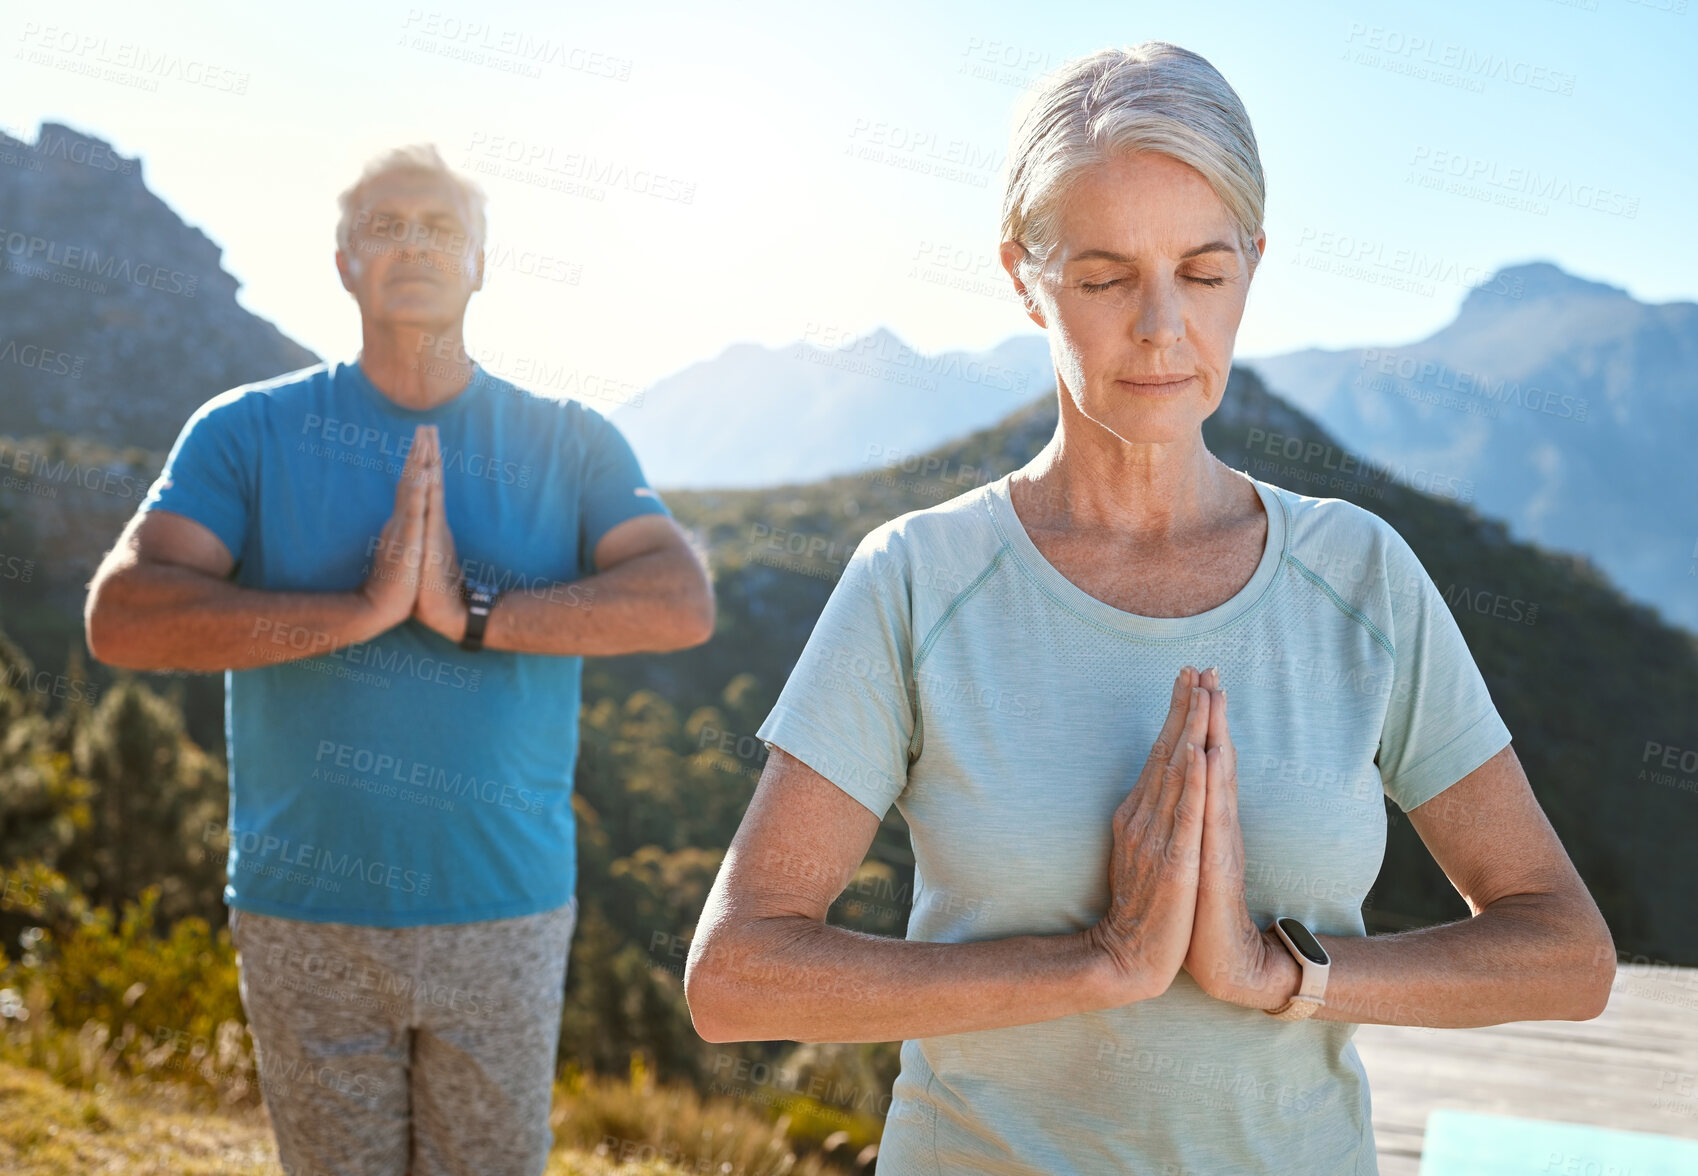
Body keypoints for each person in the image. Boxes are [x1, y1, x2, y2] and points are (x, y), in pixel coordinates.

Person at [682, 42, 1613, 1175]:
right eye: (1105, 276)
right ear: (1024, 274)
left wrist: (1280, 971)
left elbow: (1567, 950)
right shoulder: (919, 578)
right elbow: (735, 979)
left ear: (1255, 265)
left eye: (1205, 272)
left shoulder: (1360, 576)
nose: (1164, 325)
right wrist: (1100, 962)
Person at [84, 144, 714, 1176]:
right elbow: (126, 617)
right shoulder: (244, 432)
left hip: (502, 908)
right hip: (303, 910)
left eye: (439, 226)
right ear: (342, 261)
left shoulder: (569, 439)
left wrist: (470, 613)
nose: (413, 243)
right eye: (385, 225)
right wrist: (362, 608)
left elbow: (678, 600)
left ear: (480, 262)